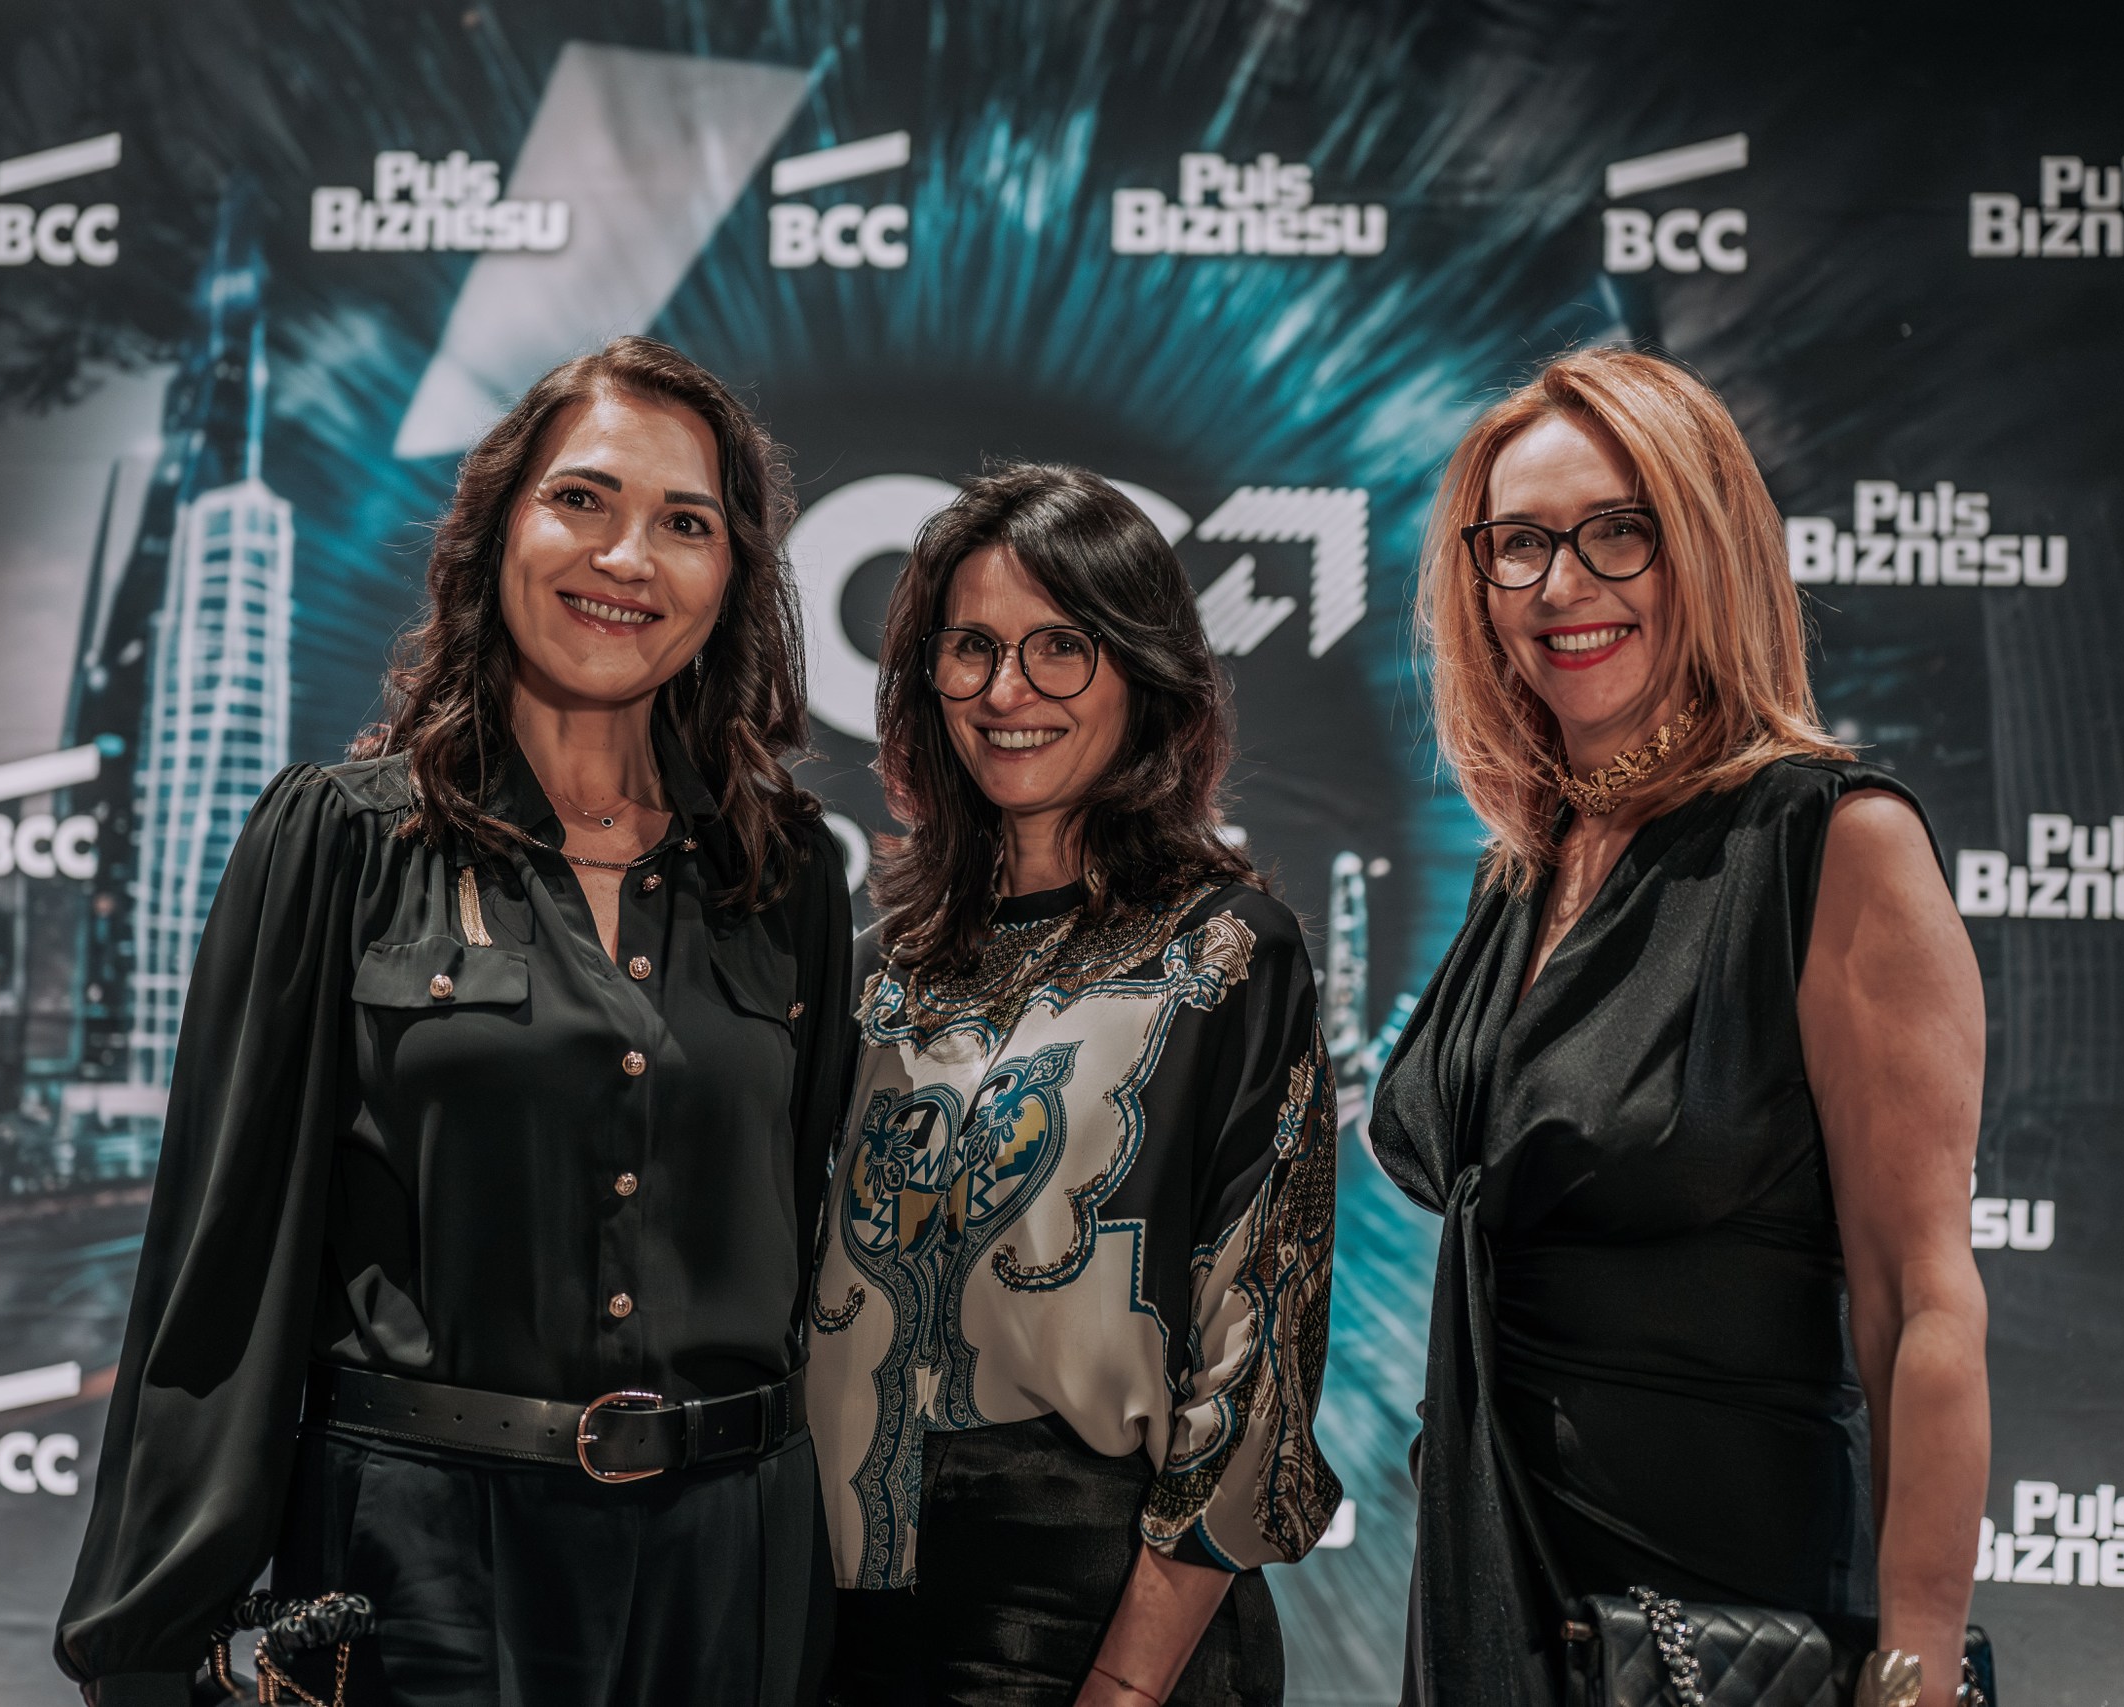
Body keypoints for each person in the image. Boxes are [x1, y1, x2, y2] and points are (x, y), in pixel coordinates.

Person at [53, 336, 857, 1707]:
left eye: (685, 523)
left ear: (731, 577)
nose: (626, 558)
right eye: (582, 499)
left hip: (731, 1576)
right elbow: (222, 1272)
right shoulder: (340, 840)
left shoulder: (784, 874)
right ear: (498, 531)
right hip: (419, 1571)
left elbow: (805, 1251)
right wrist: (145, 1645)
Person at [1369, 349, 1990, 1707]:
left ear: (1706, 549)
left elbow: (1920, 1303)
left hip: (1716, 1613)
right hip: (1493, 1587)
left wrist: (1915, 1672)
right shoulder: (1523, 866)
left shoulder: (1833, 842)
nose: (1561, 585)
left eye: (1617, 531)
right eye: (1518, 543)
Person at [809, 464, 1342, 1707]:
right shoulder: (872, 974)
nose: (1008, 693)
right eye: (972, 649)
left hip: (1100, 1625)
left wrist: (1126, 1687)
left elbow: (1256, 1365)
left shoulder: (1225, 954)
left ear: (1143, 673)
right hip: (846, 1627)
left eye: (1061, 647)